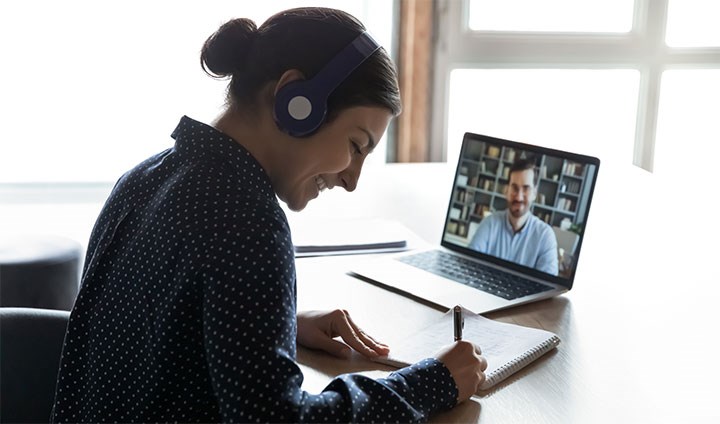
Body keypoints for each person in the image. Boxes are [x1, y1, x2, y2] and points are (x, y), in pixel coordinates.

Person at [51, 7, 487, 423]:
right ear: (295, 100)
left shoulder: (145, 177)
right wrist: (430, 383)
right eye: (356, 146)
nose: (352, 180)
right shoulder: (245, 220)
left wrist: (266, 331)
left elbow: (148, 334)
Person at [469, 158, 558, 275]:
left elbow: (547, 288)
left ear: (535, 193)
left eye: (526, 188)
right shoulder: (489, 223)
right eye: (514, 188)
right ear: (507, 190)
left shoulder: (545, 235)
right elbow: (469, 266)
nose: (519, 197)